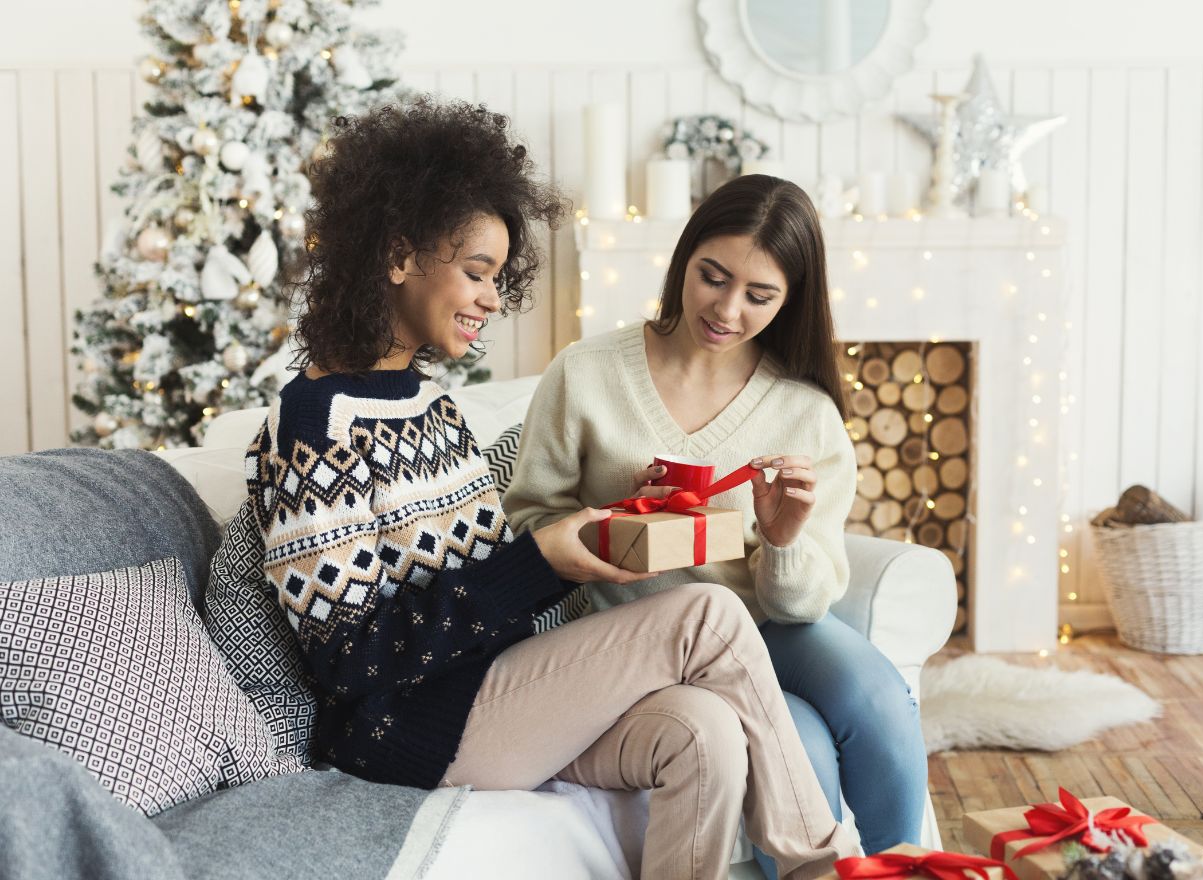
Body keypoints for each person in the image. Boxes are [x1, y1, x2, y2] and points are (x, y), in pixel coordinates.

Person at [226, 98, 858, 880]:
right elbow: (351, 663)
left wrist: (605, 530)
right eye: (477, 272)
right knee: (710, 613)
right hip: (412, 729)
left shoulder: (428, 404)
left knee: (707, 732)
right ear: (396, 257)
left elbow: (480, 582)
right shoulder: (313, 426)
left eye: (497, 276)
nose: (495, 297)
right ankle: (825, 865)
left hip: (503, 695)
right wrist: (541, 560)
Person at [504, 174, 929, 864]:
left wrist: (784, 543)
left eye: (760, 296)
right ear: (684, 259)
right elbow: (529, 522)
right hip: (645, 639)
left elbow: (802, 604)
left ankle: (908, 867)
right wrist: (620, 517)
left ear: (790, 301)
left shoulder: (804, 411)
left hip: (765, 625)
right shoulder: (585, 373)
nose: (728, 309)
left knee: (877, 696)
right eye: (713, 277)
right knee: (805, 745)